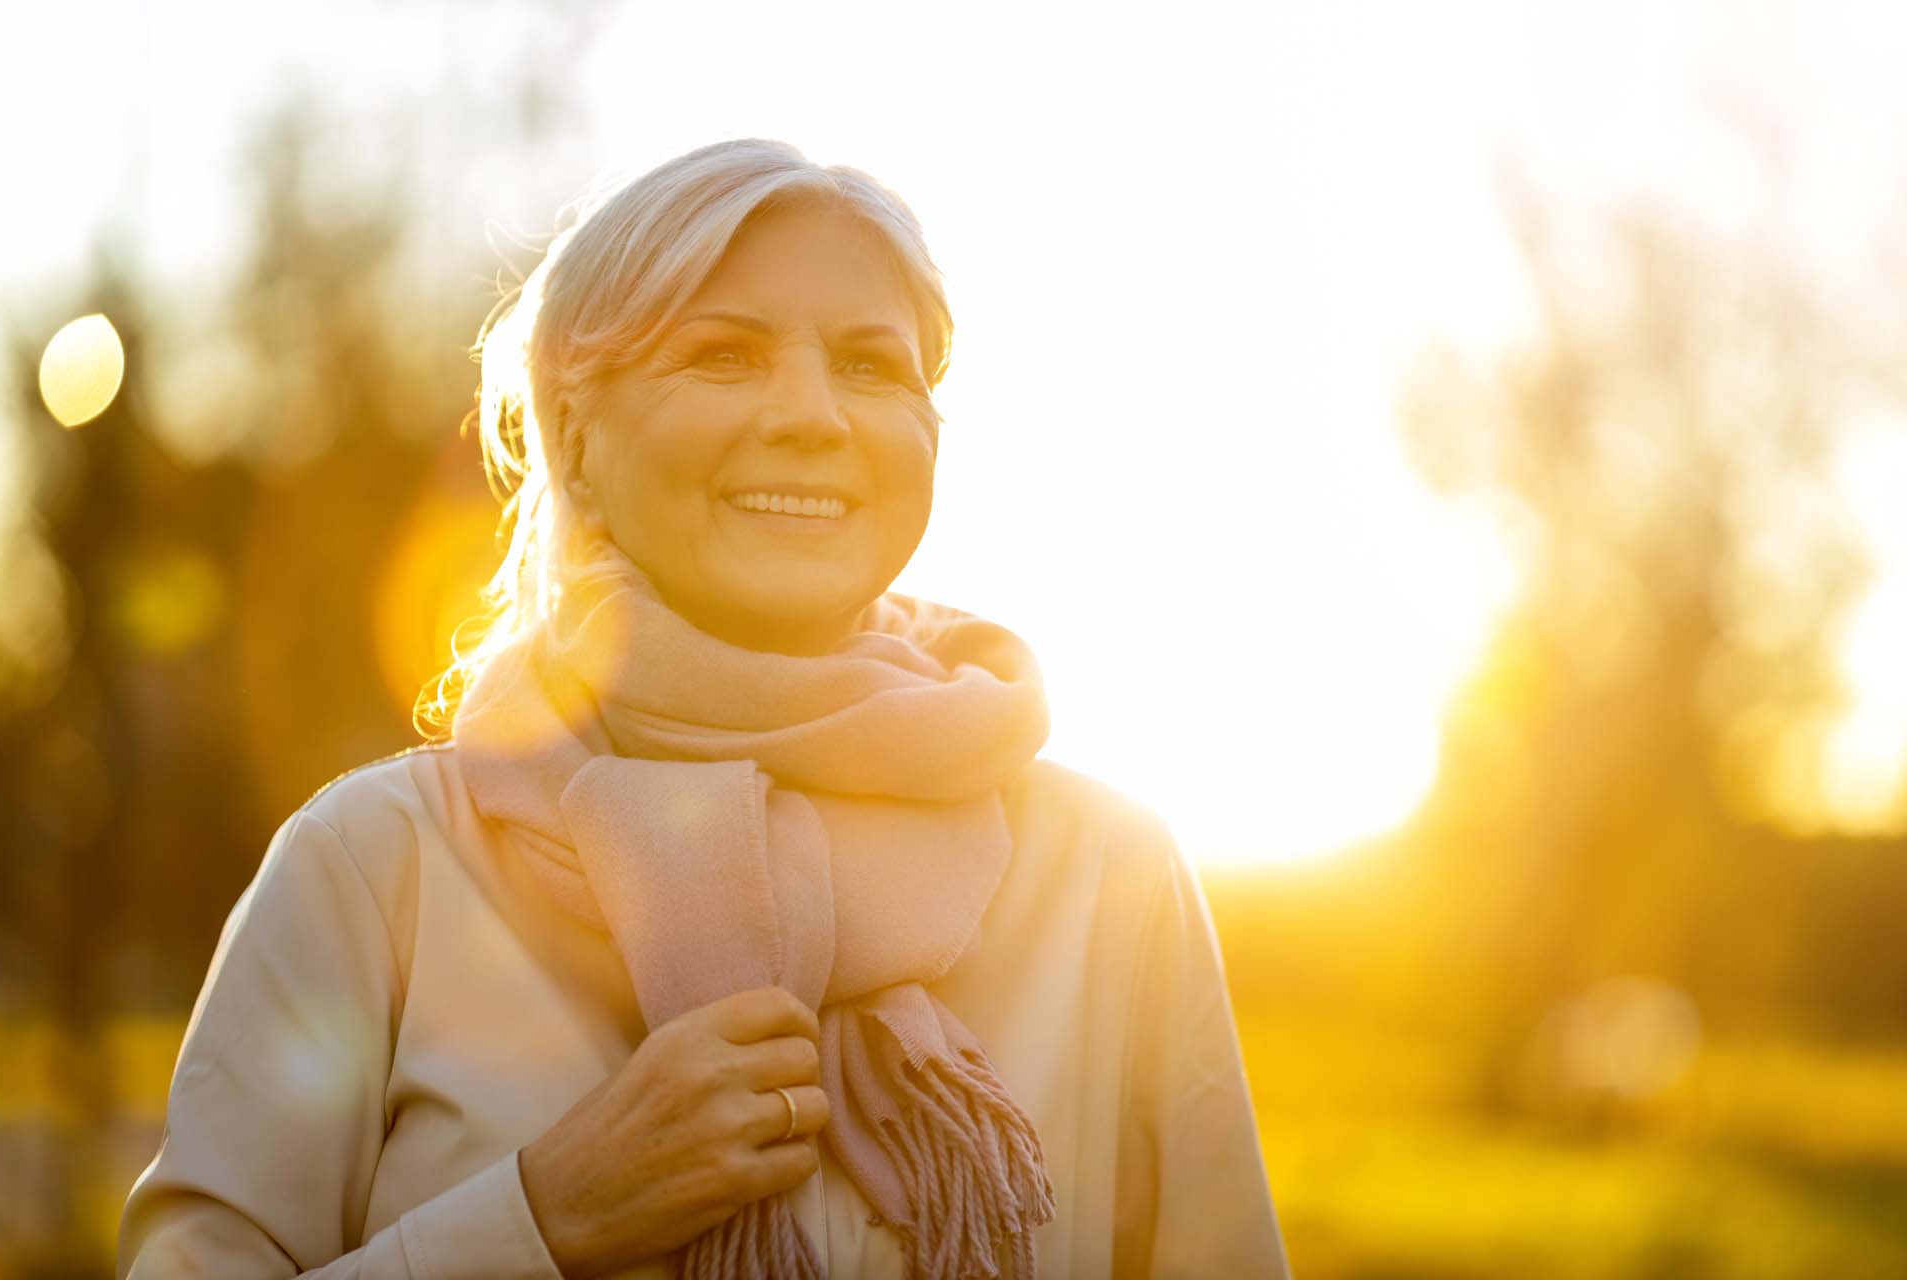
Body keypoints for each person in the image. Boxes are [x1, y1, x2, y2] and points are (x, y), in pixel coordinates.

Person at [117, 139, 1294, 1280]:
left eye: (871, 364)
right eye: (724, 355)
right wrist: (543, 1216)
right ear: (574, 443)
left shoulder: (1110, 877)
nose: (811, 415)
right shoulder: (378, 870)